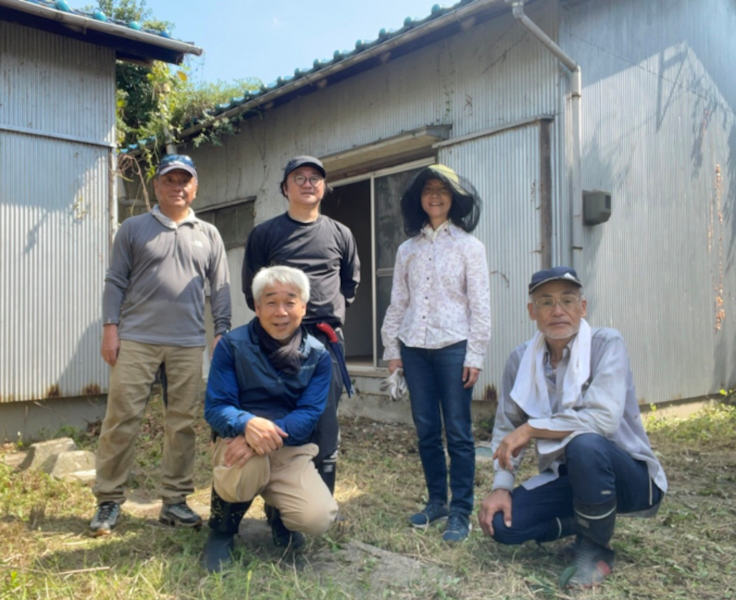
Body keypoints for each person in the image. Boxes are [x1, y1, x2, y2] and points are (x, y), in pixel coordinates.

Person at [478, 266, 667, 588]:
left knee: (585, 443)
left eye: (568, 300)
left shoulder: (606, 344)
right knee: (502, 524)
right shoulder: (521, 360)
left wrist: (531, 429)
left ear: (583, 307)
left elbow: (601, 419)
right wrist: (501, 486)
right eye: (546, 302)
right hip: (571, 478)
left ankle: (596, 550)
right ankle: (585, 523)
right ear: (532, 311)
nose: (558, 311)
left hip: (629, 477)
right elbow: (506, 425)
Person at [90, 154, 232, 536]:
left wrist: (222, 330)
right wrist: (110, 327)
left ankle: (174, 500)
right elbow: (115, 281)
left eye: (185, 180)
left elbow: (219, 287)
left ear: (195, 187)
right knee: (121, 420)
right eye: (170, 180)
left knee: (183, 424)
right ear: (156, 186)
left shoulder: (209, 234)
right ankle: (108, 500)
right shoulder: (134, 229)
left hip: (187, 343)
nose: (177, 187)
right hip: (136, 339)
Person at [241, 156, 359, 541]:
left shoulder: (340, 233)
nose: (308, 184)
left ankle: (318, 511)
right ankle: (279, 515)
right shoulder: (266, 233)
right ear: (285, 188)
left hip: (324, 340)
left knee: (324, 422)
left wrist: (324, 317)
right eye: (299, 178)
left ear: (323, 187)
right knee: (278, 417)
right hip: (278, 338)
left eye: (315, 179)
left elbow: (349, 284)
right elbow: (251, 289)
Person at [381, 164, 490, 544]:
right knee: (427, 431)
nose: (435, 195)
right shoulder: (407, 250)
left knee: (459, 432)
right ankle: (437, 502)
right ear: (419, 199)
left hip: (453, 348)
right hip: (414, 348)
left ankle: (461, 511)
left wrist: (474, 354)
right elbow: (398, 302)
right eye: (428, 189)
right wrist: (392, 351)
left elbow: (480, 305)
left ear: (454, 198)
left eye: (442, 190)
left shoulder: (469, 247)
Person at [202, 266, 338, 572]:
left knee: (317, 517)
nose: (281, 311)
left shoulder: (318, 355)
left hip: (289, 448)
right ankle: (221, 531)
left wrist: (261, 437)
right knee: (245, 467)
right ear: (257, 306)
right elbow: (216, 406)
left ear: (303, 307)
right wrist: (247, 426)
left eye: (290, 302)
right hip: (237, 440)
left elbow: (309, 413)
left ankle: (280, 515)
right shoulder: (232, 346)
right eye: (271, 302)